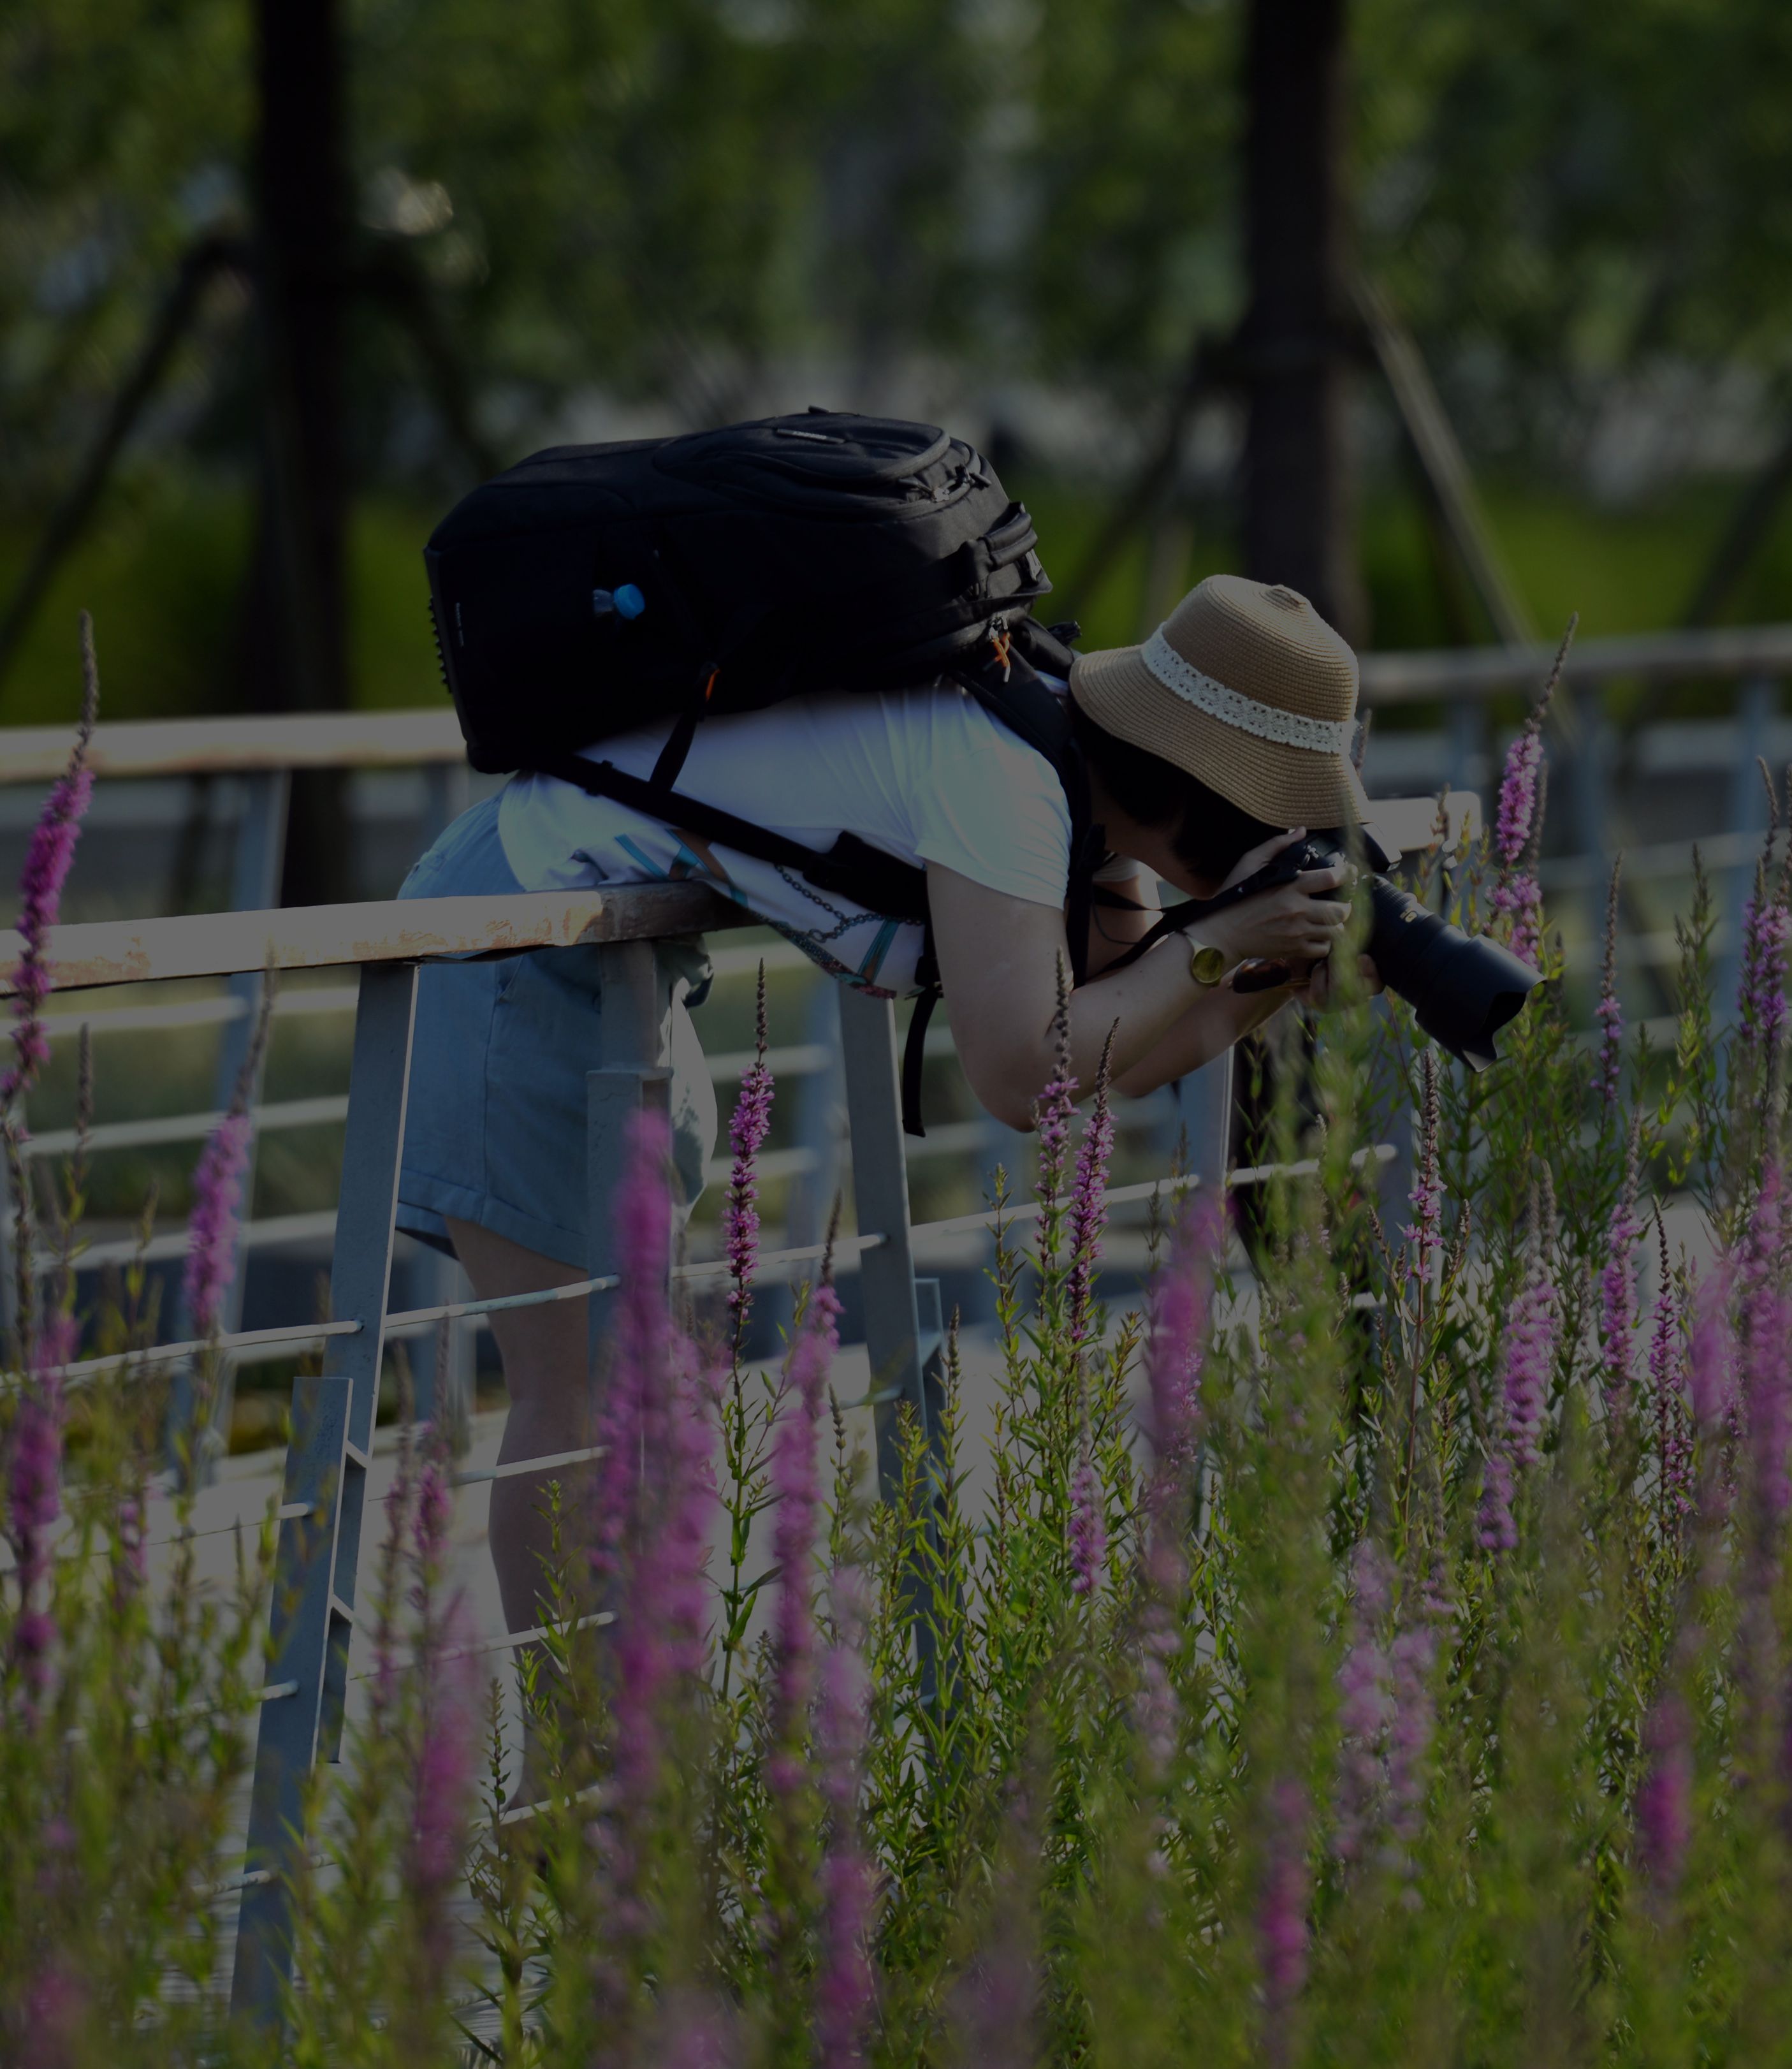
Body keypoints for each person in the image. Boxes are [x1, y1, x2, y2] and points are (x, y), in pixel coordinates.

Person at [394, 571, 1381, 1630]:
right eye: (1273, 817)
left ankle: (620, 1714)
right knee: (582, 1396)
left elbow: (1122, 1052)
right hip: (518, 934)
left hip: (595, 952)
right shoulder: (1008, 777)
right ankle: (578, 1735)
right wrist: (1221, 940)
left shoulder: (1069, 768)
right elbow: (1024, 1075)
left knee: (628, 1390)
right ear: (1207, 792)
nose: (1278, 846)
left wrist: (1263, 973)